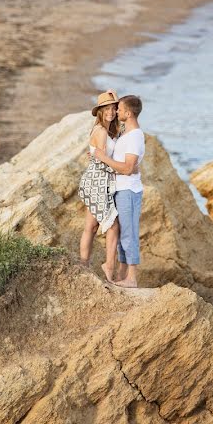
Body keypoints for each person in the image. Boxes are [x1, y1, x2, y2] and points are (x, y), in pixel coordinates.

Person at [93, 95, 145, 288]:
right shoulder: (126, 134)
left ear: (129, 113)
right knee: (122, 231)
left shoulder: (134, 136)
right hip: (120, 189)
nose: (117, 112)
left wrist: (102, 157)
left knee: (129, 233)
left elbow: (127, 168)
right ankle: (123, 275)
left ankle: (132, 278)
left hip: (129, 190)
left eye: (120, 109)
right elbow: (130, 165)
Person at [78, 90, 121, 282]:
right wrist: (121, 169)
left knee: (91, 226)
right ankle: (108, 268)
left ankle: (83, 265)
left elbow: (99, 156)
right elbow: (103, 160)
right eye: (107, 109)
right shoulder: (102, 131)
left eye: (114, 108)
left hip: (98, 180)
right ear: (100, 111)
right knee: (112, 226)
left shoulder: (107, 130)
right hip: (98, 181)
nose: (111, 112)